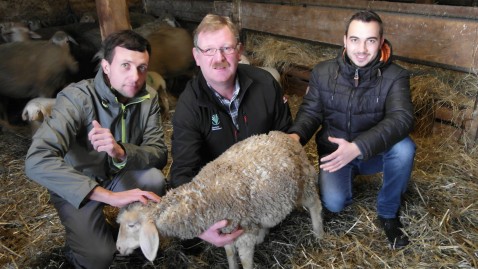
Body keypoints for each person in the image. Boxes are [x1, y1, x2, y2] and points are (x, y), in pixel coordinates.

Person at [25, 30, 168, 269]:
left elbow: (159, 152)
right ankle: (80, 248)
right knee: (98, 258)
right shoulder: (76, 98)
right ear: (106, 66)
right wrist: (110, 197)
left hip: (117, 176)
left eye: (142, 68)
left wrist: (122, 152)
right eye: (125, 65)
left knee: (153, 179)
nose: (135, 76)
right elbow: (36, 160)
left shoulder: (148, 98)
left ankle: (132, 236)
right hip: (78, 185)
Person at [288, 10, 416, 249]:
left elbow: (402, 118)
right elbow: (311, 111)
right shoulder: (323, 72)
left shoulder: (396, 76)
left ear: (381, 42)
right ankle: (345, 178)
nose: (362, 49)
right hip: (337, 155)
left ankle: (388, 214)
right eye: (355, 40)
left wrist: (358, 147)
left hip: (373, 152)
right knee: (335, 203)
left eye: (370, 41)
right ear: (345, 40)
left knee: (404, 148)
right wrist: (295, 137)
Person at [170, 14, 292, 247]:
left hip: (262, 182)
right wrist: (199, 224)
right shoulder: (188, 106)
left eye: (226, 48)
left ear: (239, 51)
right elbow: (183, 170)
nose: (219, 58)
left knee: (275, 228)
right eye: (209, 51)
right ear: (197, 56)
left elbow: (285, 138)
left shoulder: (266, 84)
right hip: (219, 191)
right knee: (190, 242)